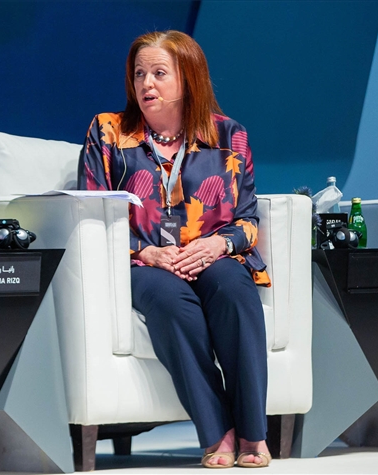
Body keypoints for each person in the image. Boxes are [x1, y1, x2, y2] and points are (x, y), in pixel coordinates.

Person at [78, 30, 271, 469]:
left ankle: (253, 433)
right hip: (141, 260)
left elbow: (247, 220)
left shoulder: (228, 135)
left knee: (235, 290)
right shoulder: (108, 132)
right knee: (172, 301)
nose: (146, 84)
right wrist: (142, 252)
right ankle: (216, 429)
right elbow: (89, 212)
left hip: (209, 253)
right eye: (139, 73)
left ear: (188, 78)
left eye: (159, 74)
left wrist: (216, 243)